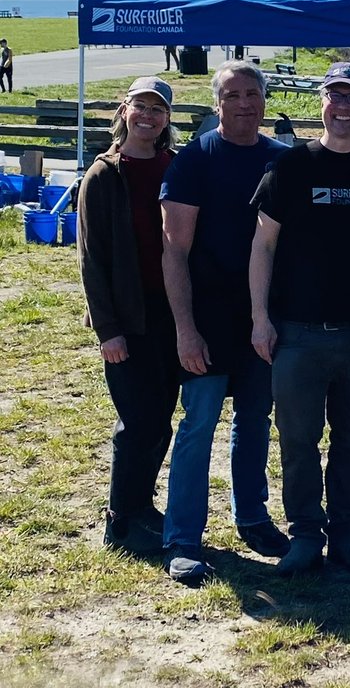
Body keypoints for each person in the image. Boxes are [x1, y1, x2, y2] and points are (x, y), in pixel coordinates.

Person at [249, 63, 350, 577]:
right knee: (296, 440)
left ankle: (346, 536)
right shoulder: (291, 167)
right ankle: (305, 537)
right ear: (322, 104)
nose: (343, 108)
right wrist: (259, 318)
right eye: (334, 97)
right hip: (296, 334)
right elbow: (262, 245)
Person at [159, 60, 289, 585]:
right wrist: (185, 329)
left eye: (252, 93)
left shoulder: (281, 159)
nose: (244, 103)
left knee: (255, 421)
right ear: (217, 104)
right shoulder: (195, 160)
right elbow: (174, 251)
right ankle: (182, 536)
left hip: (262, 321)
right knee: (198, 424)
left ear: (263, 99)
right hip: (207, 321)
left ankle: (253, 518)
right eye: (232, 95)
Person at [77, 76, 180, 557]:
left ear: (167, 120)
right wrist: (108, 330)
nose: (148, 116)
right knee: (138, 420)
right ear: (124, 110)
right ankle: (119, 518)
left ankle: (141, 505)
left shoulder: (176, 168)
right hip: (127, 320)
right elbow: (91, 260)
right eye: (141, 106)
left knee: (161, 420)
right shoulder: (103, 176)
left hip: (172, 316)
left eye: (157, 109)